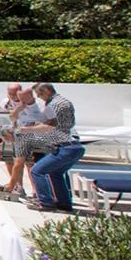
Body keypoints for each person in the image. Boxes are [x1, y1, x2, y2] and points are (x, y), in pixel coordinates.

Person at [16, 83, 84, 212]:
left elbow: (49, 126)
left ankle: (45, 203)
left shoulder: (54, 104)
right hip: (75, 147)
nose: (39, 97)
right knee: (55, 173)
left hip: (65, 147)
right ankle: (64, 204)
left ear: (47, 91)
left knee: (36, 171)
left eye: (40, 94)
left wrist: (25, 130)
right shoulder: (62, 101)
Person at [0, 88, 47, 198]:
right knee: (12, 162)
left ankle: (36, 191)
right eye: (10, 94)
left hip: (31, 138)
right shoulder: (7, 102)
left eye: (15, 94)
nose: (13, 97)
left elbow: (42, 122)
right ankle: (18, 187)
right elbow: (4, 118)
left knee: (29, 164)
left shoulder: (38, 105)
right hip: (17, 135)